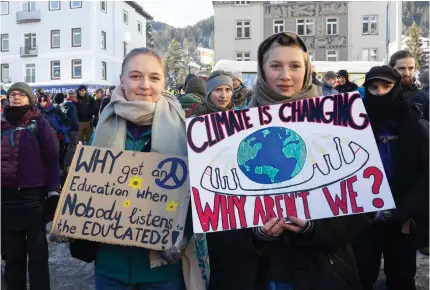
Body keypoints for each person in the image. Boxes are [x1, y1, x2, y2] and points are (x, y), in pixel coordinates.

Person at [249, 31, 370, 290]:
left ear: (307, 69)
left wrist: (315, 229)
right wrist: (257, 235)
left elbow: (359, 209)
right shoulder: (235, 127)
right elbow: (222, 219)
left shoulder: (337, 121)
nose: (285, 75)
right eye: (276, 66)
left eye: (295, 66)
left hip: (323, 269)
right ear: (262, 69)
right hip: (263, 272)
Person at [90, 47, 192, 290]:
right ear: (122, 80)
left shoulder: (185, 130)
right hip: (110, 265)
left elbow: (196, 192)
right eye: (136, 76)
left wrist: (183, 235)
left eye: (154, 77)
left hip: (161, 267)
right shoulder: (104, 125)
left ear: (164, 82)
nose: (145, 85)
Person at [351, 66, 429, 290]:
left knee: (402, 275)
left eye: (386, 86)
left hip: (403, 217)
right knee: (361, 273)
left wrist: (405, 209)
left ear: (396, 87)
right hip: (363, 218)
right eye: (373, 88)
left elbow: (426, 173)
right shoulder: (353, 122)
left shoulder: (414, 123)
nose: (380, 92)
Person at [1, 82, 60, 290]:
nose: (16, 97)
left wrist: (53, 189)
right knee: (12, 257)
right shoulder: (1, 124)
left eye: (21, 95)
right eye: (12, 94)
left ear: (30, 99)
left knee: (37, 256)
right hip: (6, 200)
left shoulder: (38, 123)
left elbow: (52, 157)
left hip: (33, 198)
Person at [389, 50, 429, 120]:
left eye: (411, 68)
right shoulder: (380, 94)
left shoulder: (425, 98)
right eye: (401, 68)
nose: (407, 73)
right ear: (391, 69)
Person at [37, 94, 71, 169]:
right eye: (40, 101)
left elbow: (65, 122)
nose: (42, 103)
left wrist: (62, 132)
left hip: (55, 133)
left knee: (55, 151)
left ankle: (56, 167)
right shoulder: (38, 111)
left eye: (44, 101)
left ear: (48, 101)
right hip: (43, 133)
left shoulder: (55, 109)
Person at [62, 89, 80, 175]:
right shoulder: (72, 105)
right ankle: (68, 165)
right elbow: (73, 119)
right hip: (73, 129)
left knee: (68, 147)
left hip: (66, 129)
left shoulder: (64, 104)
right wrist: (76, 127)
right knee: (73, 147)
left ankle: (65, 164)